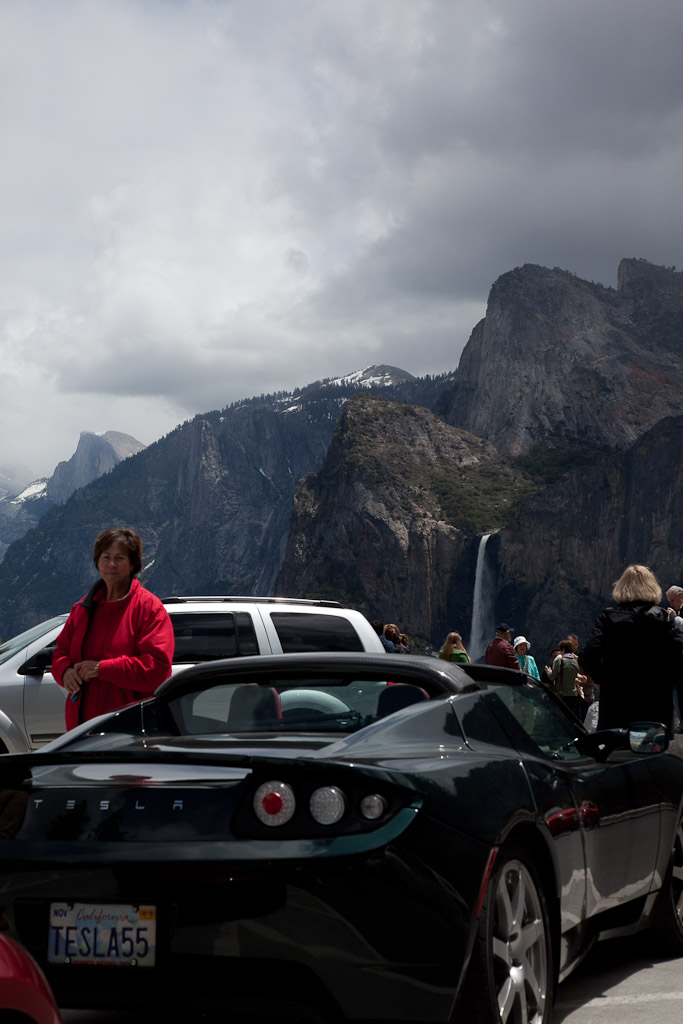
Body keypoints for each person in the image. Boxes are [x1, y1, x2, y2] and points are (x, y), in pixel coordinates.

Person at [52, 527, 175, 730]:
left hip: (130, 730)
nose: (111, 564)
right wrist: (65, 671)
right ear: (97, 562)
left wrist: (102, 669)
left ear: (133, 564)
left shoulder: (148, 608)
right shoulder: (83, 608)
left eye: (119, 558)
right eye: (106, 557)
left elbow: (157, 668)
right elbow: (61, 652)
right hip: (81, 731)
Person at [581, 564, 683, 733]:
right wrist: (667, 684)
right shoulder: (664, 619)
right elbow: (678, 657)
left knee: (617, 754)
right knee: (652, 754)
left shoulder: (608, 617)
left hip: (616, 704)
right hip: (655, 707)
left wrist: (604, 680)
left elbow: (589, 653)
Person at [549, 639, 584, 719]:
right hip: (573, 694)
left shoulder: (560, 661)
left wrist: (549, 671)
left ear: (563, 649)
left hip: (562, 694)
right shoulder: (575, 662)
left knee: (561, 718)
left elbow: (552, 677)